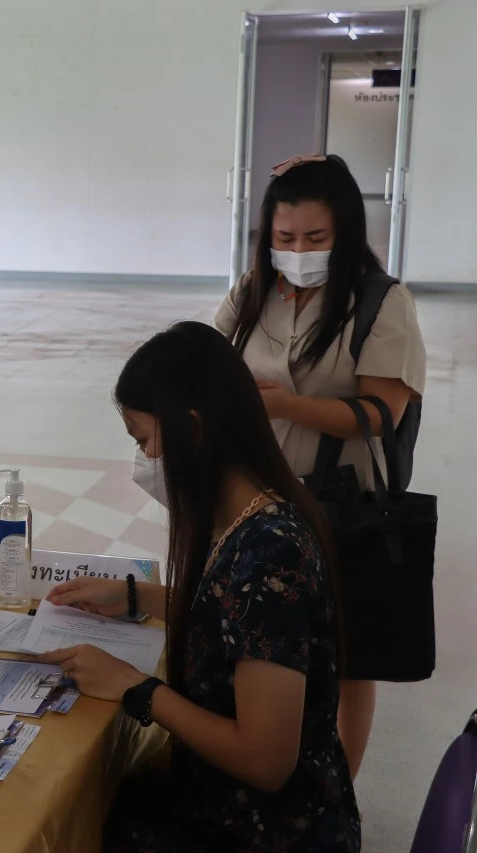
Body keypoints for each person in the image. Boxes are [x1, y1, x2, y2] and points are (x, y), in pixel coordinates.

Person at [41, 322, 359, 851]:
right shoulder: (242, 517)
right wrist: (135, 596)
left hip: (268, 829)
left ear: (192, 428)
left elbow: (265, 761)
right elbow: (240, 620)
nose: (143, 460)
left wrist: (133, 686)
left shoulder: (271, 550)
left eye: (143, 440)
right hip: (220, 801)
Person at [212, 153, 426, 779]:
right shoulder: (253, 292)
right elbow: (204, 356)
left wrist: (292, 406)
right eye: (284, 238)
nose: (298, 250)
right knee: (260, 641)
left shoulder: (380, 302)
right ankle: (263, 764)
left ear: (346, 234)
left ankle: (340, 790)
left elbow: (381, 412)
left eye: (315, 238)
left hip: (342, 500)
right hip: (255, 499)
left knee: (347, 657)